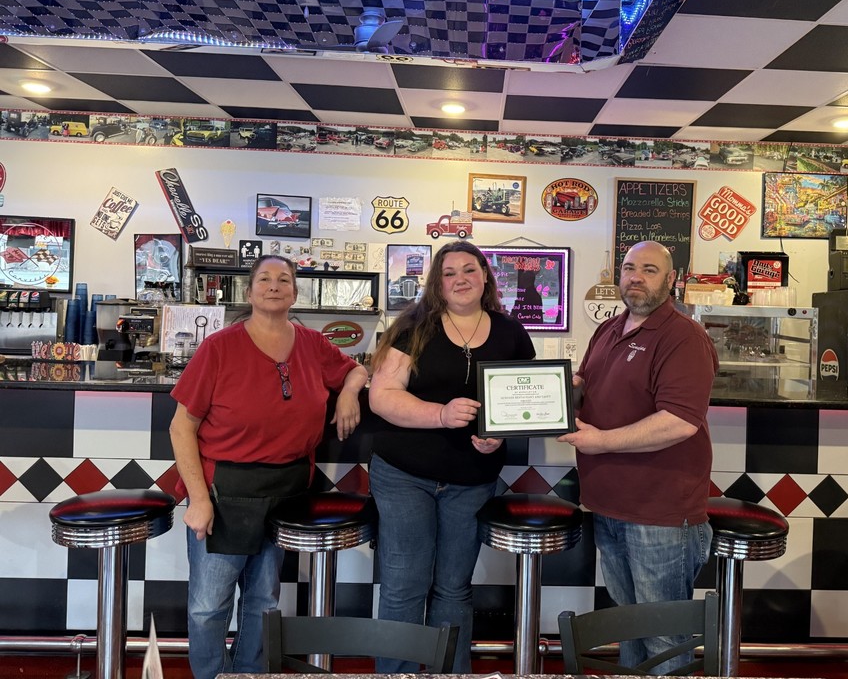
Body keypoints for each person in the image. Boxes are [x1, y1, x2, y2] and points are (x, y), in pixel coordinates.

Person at [169, 254, 368, 679]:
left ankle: (248, 675)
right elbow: (181, 427)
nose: (274, 286)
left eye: (284, 279)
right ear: (249, 291)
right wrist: (199, 500)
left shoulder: (313, 343)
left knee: (264, 602)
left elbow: (355, 370)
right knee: (209, 607)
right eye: (264, 279)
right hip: (224, 490)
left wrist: (349, 392)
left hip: (287, 488)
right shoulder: (219, 346)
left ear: (295, 292)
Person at [368, 240, 535, 672]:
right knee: (405, 587)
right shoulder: (414, 328)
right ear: (438, 284)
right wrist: (440, 414)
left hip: (472, 480)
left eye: (469, 270)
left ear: (485, 276)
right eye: (449, 273)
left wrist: (498, 437)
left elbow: (521, 403)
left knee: (453, 589)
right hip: (405, 473)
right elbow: (382, 396)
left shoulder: (512, 332)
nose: (460, 279)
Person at [557, 241, 718, 674]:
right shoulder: (609, 329)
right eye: (629, 268)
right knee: (629, 627)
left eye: (649, 269)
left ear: (670, 279)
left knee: (664, 636)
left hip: (659, 511)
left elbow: (679, 422)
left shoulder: (684, 336)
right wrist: (555, 388)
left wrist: (602, 441)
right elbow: (588, 385)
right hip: (609, 504)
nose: (636, 277)